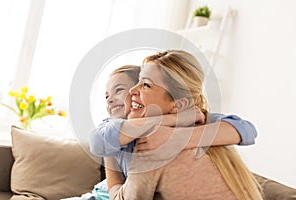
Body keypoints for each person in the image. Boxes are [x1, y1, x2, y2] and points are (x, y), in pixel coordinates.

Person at [104, 50, 263, 199]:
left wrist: (174, 138)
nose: (132, 90)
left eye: (146, 84)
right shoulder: (207, 130)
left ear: (178, 105)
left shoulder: (154, 145)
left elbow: (246, 129)